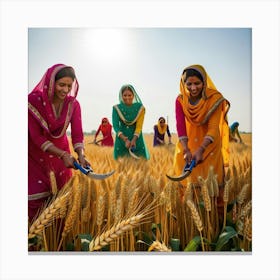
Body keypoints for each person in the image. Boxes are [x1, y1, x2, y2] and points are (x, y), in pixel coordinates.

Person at [28, 64, 90, 222]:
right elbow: (36, 137)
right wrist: (63, 154)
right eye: (61, 84)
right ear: (51, 82)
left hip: (61, 160)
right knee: (35, 209)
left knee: (61, 205)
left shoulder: (73, 104)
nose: (65, 89)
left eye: (69, 86)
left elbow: (77, 134)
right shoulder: (32, 101)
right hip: (35, 157)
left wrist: (81, 155)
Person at [173, 65, 230, 214]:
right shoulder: (180, 100)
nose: (193, 88)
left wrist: (201, 149)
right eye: (189, 84)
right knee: (188, 188)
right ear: (184, 84)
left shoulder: (214, 99)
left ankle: (214, 224)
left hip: (209, 145)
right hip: (188, 145)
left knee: (211, 188)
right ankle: (190, 220)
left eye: (197, 83)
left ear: (204, 82)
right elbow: (180, 126)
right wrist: (186, 149)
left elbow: (213, 128)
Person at [112, 84, 150, 160]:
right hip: (121, 139)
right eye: (124, 95)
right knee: (121, 166)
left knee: (140, 165)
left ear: (134, 95)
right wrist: (125, 139)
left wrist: (133, 140)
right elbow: (116, 126)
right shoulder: (116, 108)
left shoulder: (140, 108)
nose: (127, 98)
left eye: (130, 95)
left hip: (137, 138)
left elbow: (139, 126)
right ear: (121, 96)